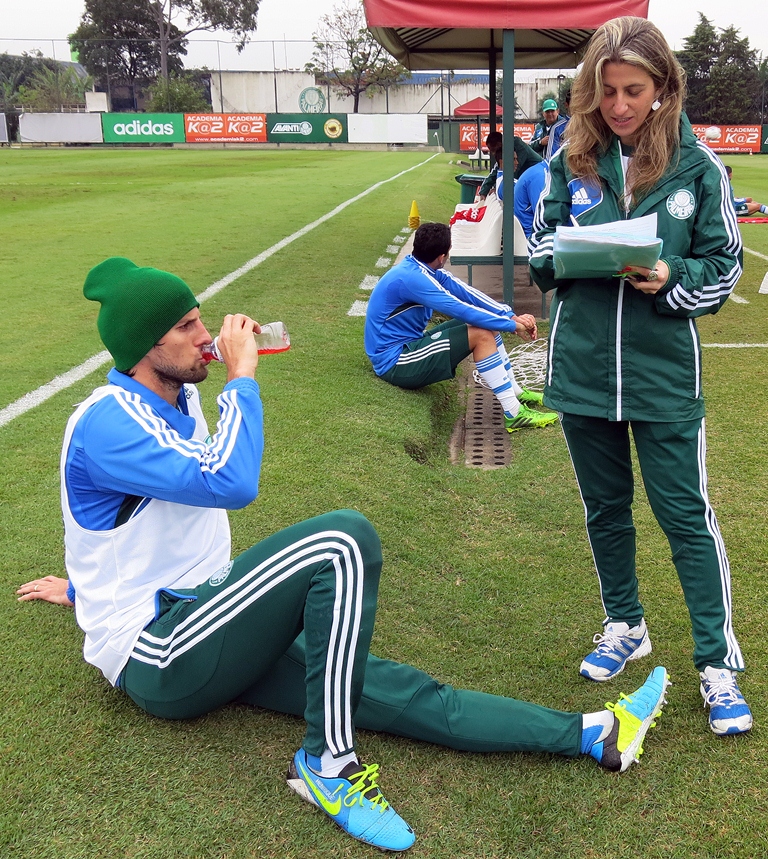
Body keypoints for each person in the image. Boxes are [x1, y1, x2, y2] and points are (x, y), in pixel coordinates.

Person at [23, 256, 672, 853]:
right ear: (143, 346)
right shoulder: (107, 421)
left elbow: (123, 531)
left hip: (207, 620)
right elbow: (229, 481)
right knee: (341, 540)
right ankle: (327, 765)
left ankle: (594, 731)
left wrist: (83, 588)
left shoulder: (179, 395)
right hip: (158, 656)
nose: (206, 335)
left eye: (201, 320)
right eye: (187, 325)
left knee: (394, 688)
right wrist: (241, 378)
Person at [528, 16, 752, 736]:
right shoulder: (571, 157)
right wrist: (565, 254)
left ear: (663, 90)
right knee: (605, 510)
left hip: (661, 376)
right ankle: (624, 622)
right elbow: (538, 245)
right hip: (584, 368)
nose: (618, 105)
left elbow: (724, 267)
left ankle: (716, 662)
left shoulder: (697, 168)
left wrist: (668, 273)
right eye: (605, 90)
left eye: (633, 91)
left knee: (687, 518)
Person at [364, 222, 558, 433]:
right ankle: (514, 413)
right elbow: (459, 308)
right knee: (481, 334)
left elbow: (466, 292)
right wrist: (511, 326)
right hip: (394, 362)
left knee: (484, 324)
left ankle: (516, 393)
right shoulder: (413, 278)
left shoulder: (421, 268)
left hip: (407, 348)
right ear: (442, 256)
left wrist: (509, 314)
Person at [478, 135, 542, 202]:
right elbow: (496, 170)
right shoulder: (506, 150)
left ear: (500, 144)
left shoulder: (518, 147)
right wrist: (483, 191)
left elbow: (513, 170)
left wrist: (498, 187)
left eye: (493, 149)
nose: (493, 153)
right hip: (529, 177)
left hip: (538, 175)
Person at [513, 154, 549, 238]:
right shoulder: (540, 175)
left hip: (528, 231)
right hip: (531, 236)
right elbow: (542, 214)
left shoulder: (539, 170)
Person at [545, 90, 571, 162]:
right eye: (574, 104)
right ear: (566, 105)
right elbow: (550, 159)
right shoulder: (556, 128)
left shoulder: (588, 126)